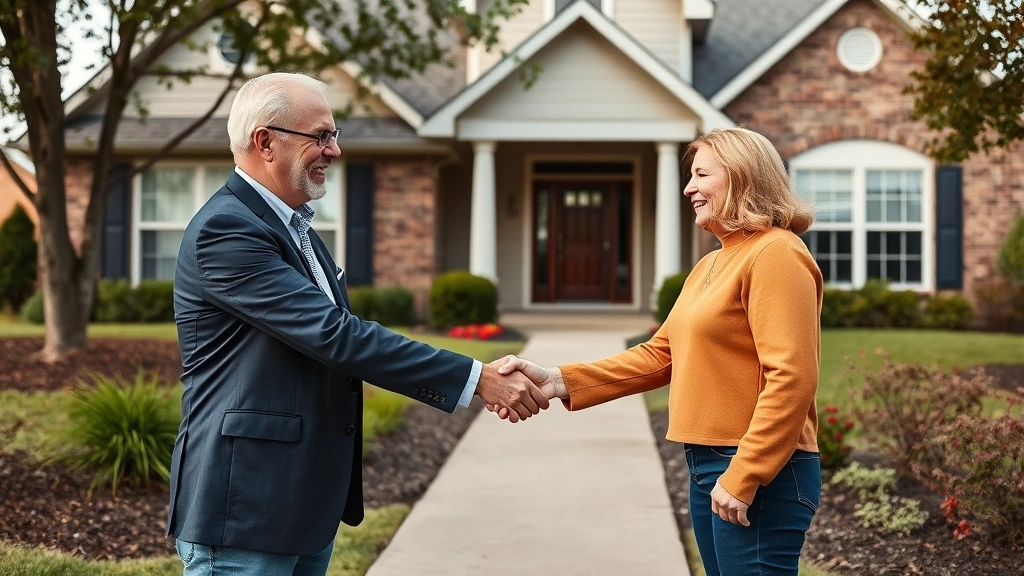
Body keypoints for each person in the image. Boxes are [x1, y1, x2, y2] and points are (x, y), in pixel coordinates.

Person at [167, 72, 548, 576]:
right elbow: (335, 336)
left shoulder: (292, 226)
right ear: (265, 142)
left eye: (334, 135)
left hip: (298, 505)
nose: (334, 150)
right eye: (320, 136)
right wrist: (477, 379)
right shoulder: (228, 230)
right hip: (244, 510)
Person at [498, 127, 823, 575]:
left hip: (759, 466)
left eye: (702, 175)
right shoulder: (713, 261)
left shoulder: (776, 255)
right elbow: (661, 354)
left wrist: (747, 472)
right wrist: (555, 380)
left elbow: (792, 376)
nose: (689, 188)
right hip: (709, 460)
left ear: (742, 177)